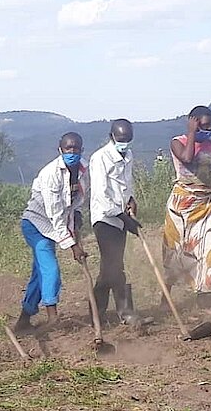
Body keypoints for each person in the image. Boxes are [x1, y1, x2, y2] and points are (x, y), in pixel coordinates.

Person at [15, 132, 88, 332]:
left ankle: (24, 319)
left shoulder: (84, 169)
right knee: (50, 268)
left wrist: (77, 215)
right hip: (36, 224)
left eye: (76, 149)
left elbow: (77, 200)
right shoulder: (51, 174)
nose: (72, 152)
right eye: (68, 148)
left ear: (81, 150)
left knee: (40, 272)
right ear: (60, 150)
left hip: (57, 223)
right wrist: (73, 246)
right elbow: (55, 215)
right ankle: (52, 316)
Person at [163, 106, 211, 309]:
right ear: (193, 122)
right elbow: (187, 158)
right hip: (182, 207)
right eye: (203, 126)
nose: (208, 130)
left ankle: (205, 294)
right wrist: (191, 133)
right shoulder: (177, 142)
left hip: (205, 205)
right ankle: (166, 298)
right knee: (174, 253)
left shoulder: (210, 143)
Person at [89, 119, 146, 325]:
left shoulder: (128, 155)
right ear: (111, 136)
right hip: (104, 219)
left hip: (121, 218)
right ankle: (125, 312)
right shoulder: (100, 158)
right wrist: (123, 218)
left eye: (128, 139)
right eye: (121, 139)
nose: (124, 142)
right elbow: (101, 196)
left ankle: (97, 314)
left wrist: (131, 201)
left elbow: (126, 184)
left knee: (110, 267)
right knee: (114, 265)